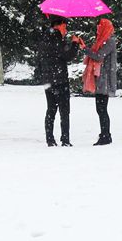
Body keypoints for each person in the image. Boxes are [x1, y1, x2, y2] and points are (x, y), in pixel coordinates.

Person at [36, 15, 85, 146]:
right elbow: (67, 56)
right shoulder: (57, 39)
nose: (66, 30)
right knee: (64, 111)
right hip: (60, 81)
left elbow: (41, 60)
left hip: (48, 81)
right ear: (58, 26)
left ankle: (50, 139)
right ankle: (65, 139)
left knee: (51, 109)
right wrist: (75, 43)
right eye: (65, 26)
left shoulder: (44, 39)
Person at [81, 17, 117, 145]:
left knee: (102, 109)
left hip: (105, 80)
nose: (98, 30)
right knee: (100, 108)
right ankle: (104, 134)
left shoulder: (110, 42)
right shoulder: (101, 41)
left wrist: (85, 48)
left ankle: (106, 135)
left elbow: (98, 56)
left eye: (100, 28)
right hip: (100, 79)